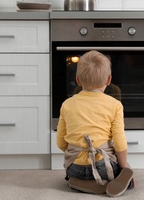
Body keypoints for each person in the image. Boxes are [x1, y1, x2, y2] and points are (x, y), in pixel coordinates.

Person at [56, 50, 134, 197]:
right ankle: (115, 180)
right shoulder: (115, 105)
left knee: (73, 172)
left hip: (74, 167)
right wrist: (124, 167)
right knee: (124, 173)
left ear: (78, 80)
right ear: (109, 79)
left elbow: (60, 143)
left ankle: (76, 181)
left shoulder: (67, 104)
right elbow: (119, 143)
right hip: (103, 166)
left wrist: (77, 152)